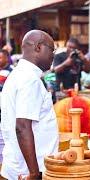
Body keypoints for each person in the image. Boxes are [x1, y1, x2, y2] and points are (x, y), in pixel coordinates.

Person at [1, 30, 59, 179]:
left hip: (19, 167)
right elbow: (22, 126)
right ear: (39, 47)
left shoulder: (18, 74)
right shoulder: (29, 79)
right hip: (28, 171)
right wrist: (34, 172)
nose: (53, 55)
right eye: (52, 49)